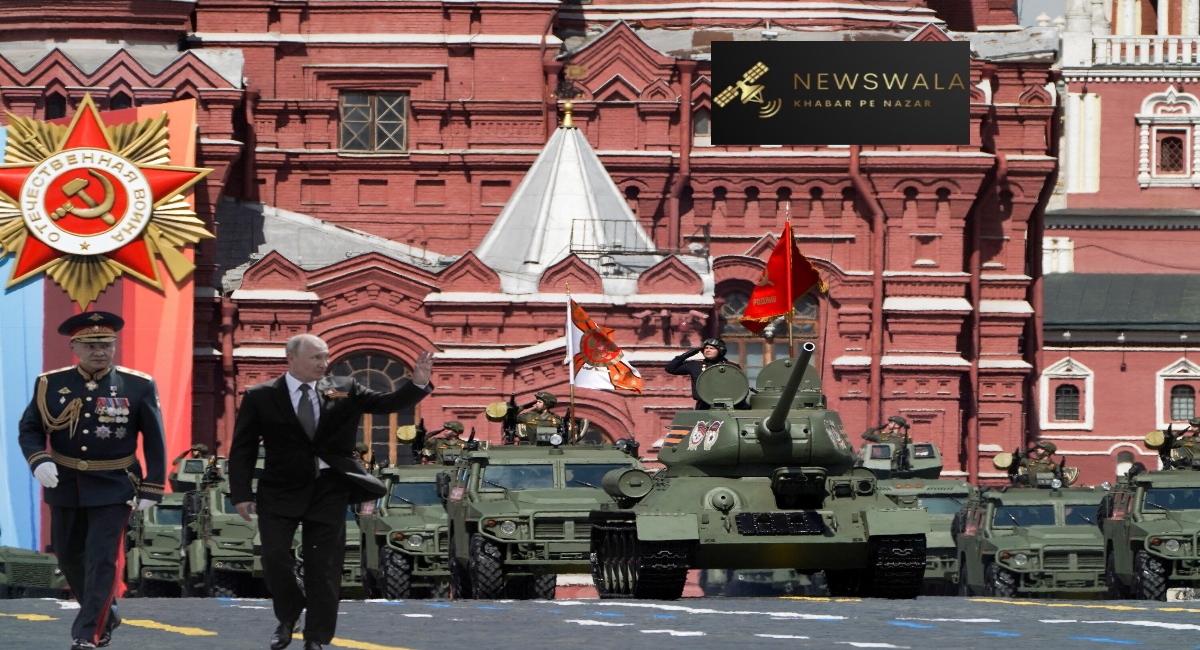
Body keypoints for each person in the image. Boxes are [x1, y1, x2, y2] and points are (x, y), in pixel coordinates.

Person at [228, 334, 433, 650]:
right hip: (280, 491)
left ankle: (316, 637)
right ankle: (289, 613)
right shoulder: (262, 396)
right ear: (291, 359)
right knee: (274, 559)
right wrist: (241, 493)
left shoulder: (337, 388)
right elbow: (242, 448)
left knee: (323, 567)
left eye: (326, 357)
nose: (324, 364)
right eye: (315, 358)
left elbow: (384, 404)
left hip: (329, 489)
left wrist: (417, 384)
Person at [17, 311, 166, 650]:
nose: (100, 351)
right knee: (69, 557)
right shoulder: (50, 383)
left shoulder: (138, 384)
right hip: (64, 482)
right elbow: (30, 428)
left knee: (102, 559)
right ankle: (105, 612)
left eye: (106, 344)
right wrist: (38, 458)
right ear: (74, 346)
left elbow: (154, 439)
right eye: (91, 345)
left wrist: (152, 487)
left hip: (115, 484)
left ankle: (87, 633)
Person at [664, 338, 741, 409]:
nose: (707, 350)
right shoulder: (696, 365)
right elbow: (671, 369)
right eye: (706, 348)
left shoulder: (731, 366)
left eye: (711, 348)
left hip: (726, 405)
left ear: (721, 351)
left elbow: (740, 385)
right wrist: (686, 355)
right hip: (703, 405)